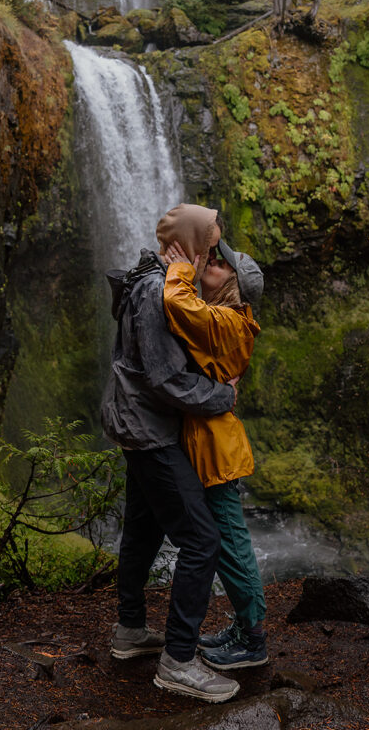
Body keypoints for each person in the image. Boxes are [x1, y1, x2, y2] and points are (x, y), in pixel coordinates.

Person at [101, 203, 240, 704]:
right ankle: (179, 660)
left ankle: (130, 631)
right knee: (202, 540)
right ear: (192, 246)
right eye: (210, 245)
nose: (213, 256)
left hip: (136, 424)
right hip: (150, 430)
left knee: (143, 528)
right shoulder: (155, 292)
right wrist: (224, 395)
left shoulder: (155, 279)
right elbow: (163, 379)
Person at [161, 233, 268, 670]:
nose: (211, 262)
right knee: (224, 540)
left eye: (220, 264)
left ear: (233, 284)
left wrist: (180, 266)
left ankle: (253, 637)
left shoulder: (227, 321)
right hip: (208, 442)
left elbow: (179, 305)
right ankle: (244, 627)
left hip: (217, 449)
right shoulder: (224, 317)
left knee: (230, 544)